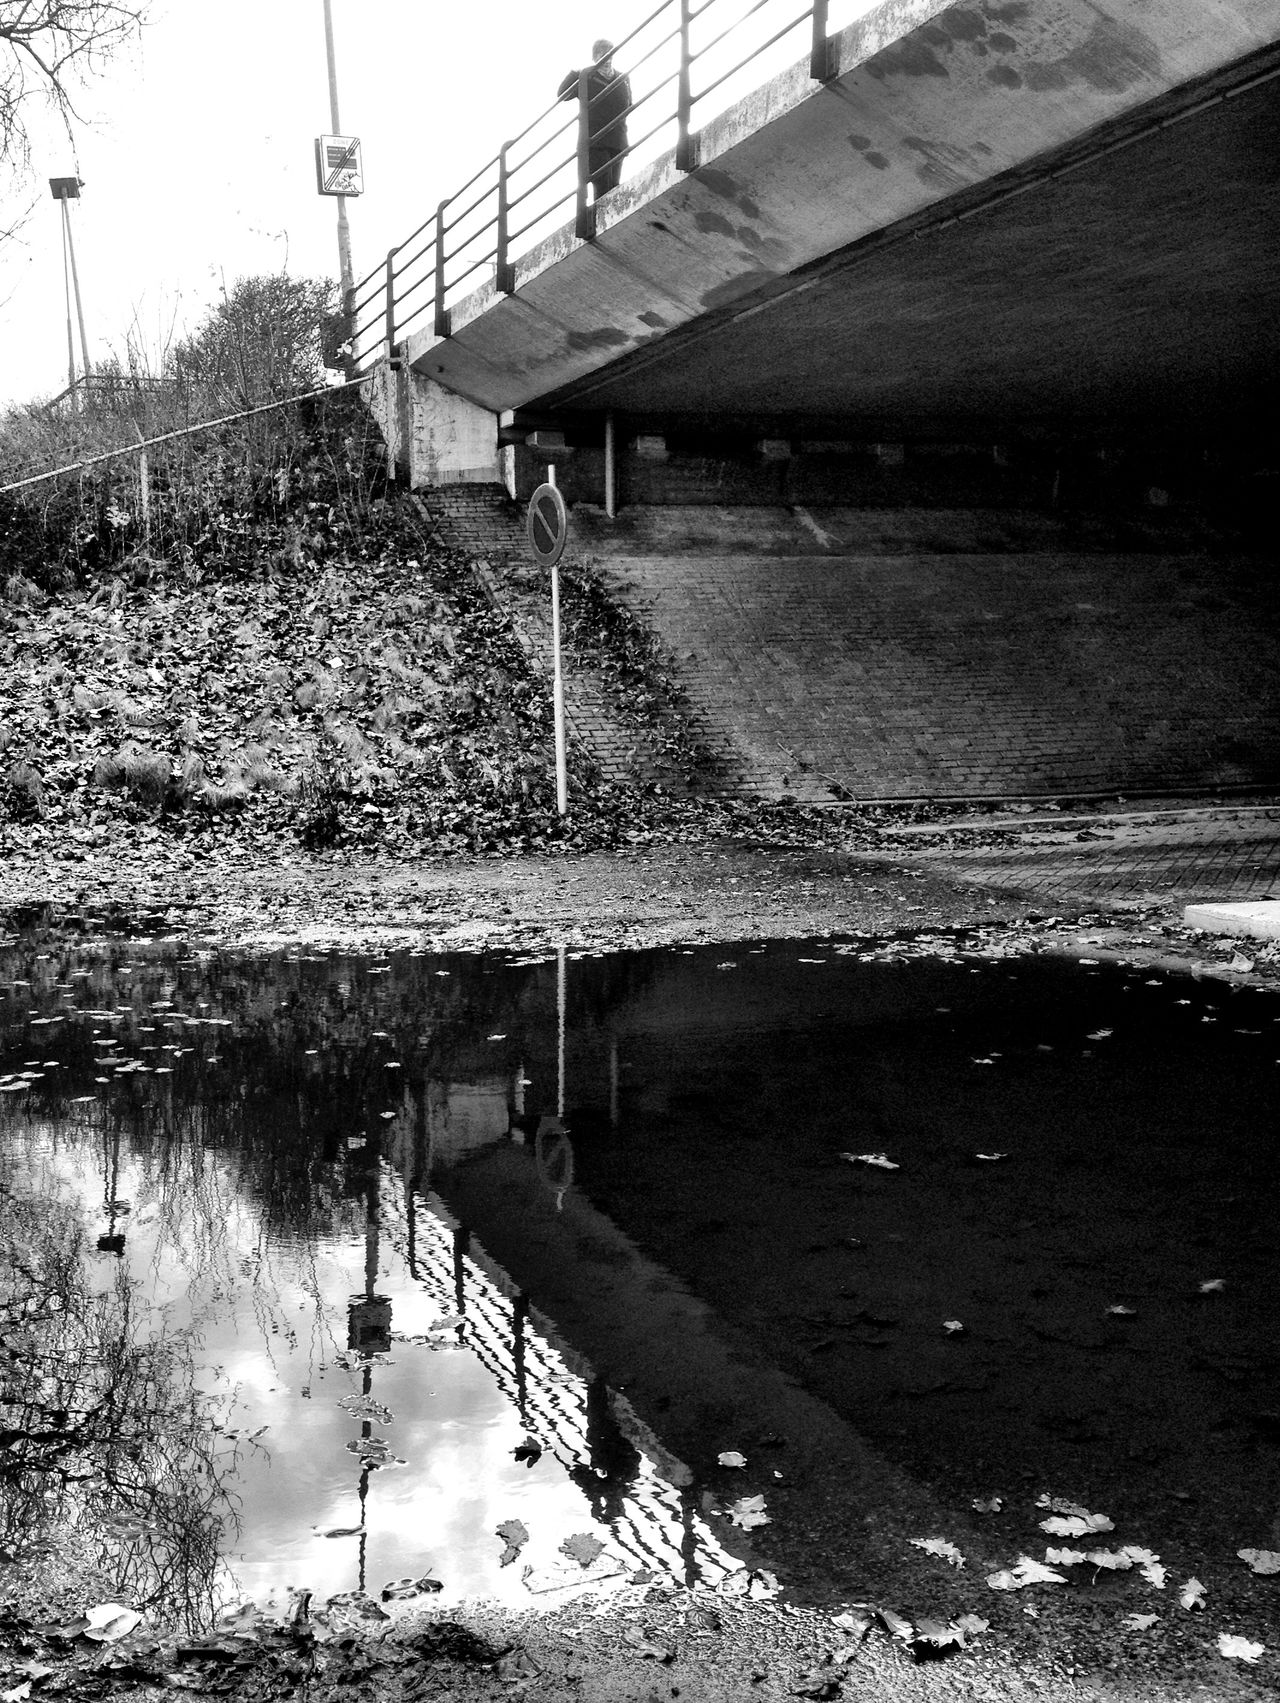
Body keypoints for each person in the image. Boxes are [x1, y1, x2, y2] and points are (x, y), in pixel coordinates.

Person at [558, 38, 631, 200]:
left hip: (617, 139)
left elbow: (629, 104)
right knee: (602, 187)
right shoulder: (586, 77)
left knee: (614, 185)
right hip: (595, 141)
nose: (607, 59)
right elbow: (562, 94)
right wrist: (575, 73)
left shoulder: (623, 78)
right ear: (595, 57)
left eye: (610, 54)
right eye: (602, 55)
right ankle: (599, 223)